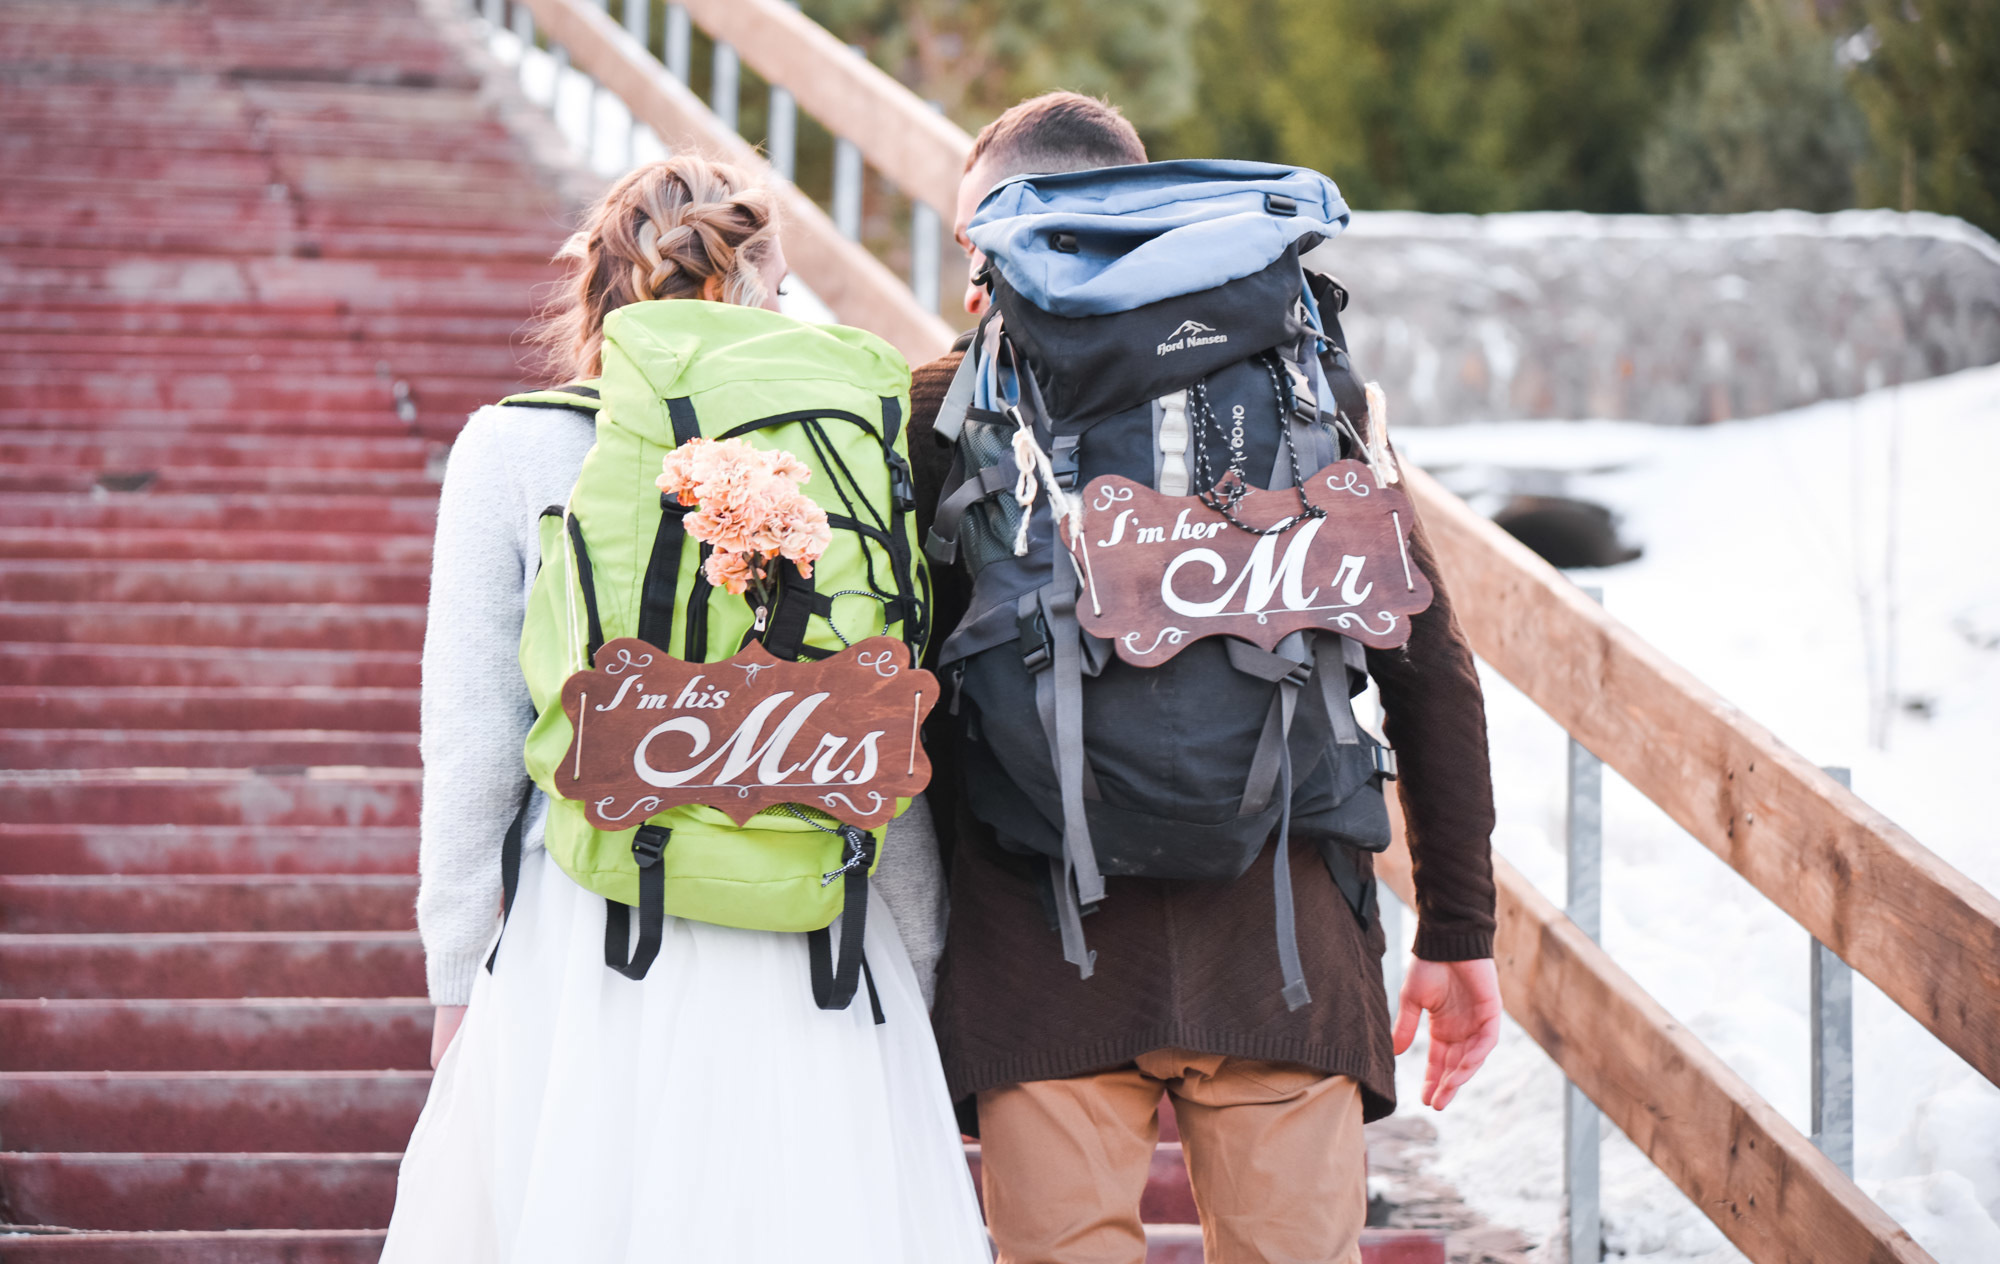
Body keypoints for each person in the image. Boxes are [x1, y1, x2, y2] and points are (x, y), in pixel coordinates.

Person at [912, 92, 1505, 1264]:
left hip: (1042, 961)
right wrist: (1457, 925)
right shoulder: (1303, 389)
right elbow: (1425, 665)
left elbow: (903, 687)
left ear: (989, 236)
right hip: (1283, 952)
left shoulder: (946, 412)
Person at [381, 154, 990, 1264]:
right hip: (815, 936)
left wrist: (457, 976)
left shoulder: (516, 445)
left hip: (594, 928)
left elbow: (471, 745)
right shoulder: (850, 454)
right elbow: (877, 720)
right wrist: (921, 951)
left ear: (598, 285)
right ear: (768, 288)